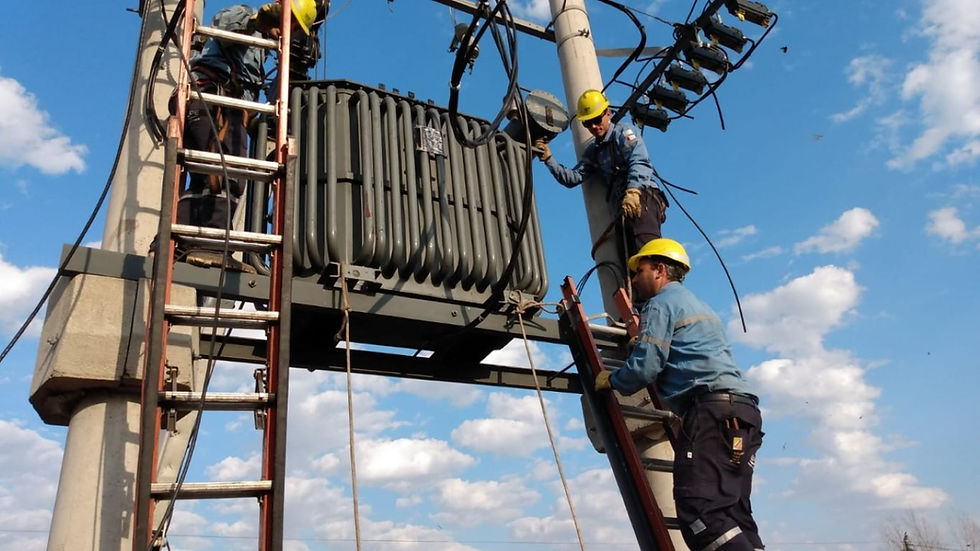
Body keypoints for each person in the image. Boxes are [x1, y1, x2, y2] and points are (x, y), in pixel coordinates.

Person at [595, 238, 764, 551]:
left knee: (700, 512)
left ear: (660, 270)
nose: (633, 280)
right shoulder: (698, 305)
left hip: (710, 413)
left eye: (639, 271)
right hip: (743, 413)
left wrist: (613, 379)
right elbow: (686, 352)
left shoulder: (660, 304)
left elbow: (645, 368)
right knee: (734, 513)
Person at [176, 0, 318, 272]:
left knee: (205, 177)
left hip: (221, 105)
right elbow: (221, 25)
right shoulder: (245, 16)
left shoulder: (263, 49)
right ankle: (210, 247)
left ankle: (183, 243)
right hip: (214, 100)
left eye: (296, 30)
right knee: (225, 177)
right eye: (290, 24)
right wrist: (255, 22)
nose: (289, 33)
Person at [533, 89, 668, 259]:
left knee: (649, 258)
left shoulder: (623, 133)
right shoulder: (594, 151)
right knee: (631, 268)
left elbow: (639, 161)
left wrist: (633, 191)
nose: (594, 127)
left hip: (641, 198)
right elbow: (572, 178)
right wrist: (548, 159)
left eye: (597, 120)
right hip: (621, 210)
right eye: (588, 123)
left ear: (608, 113)